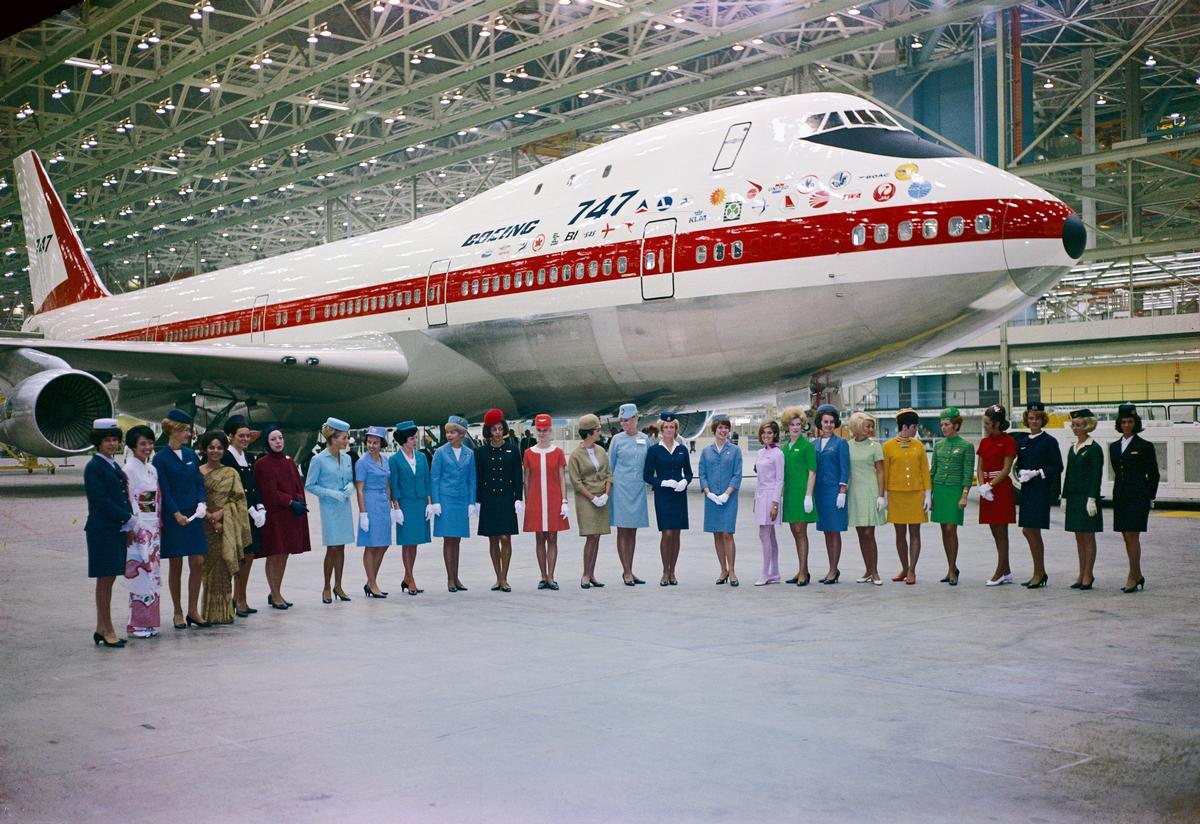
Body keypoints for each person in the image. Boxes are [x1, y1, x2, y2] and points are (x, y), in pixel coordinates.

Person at [153, 408, 209, 628]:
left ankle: (193, 610)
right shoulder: (160, 459)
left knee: (198, 562)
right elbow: (164, 490)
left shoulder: (190, 454)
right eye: (185, 430)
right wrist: (176, 513)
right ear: (174, 430)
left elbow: (198, 481)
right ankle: (177, 611)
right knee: (175, 564)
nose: (188, 434)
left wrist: (202, 502)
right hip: (174, 516)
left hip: (194, 515)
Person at [85, 418, 135, 647]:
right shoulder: (94, 467)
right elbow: (101, 501)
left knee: (109, 578)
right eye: (107, 440)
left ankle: (100, 628)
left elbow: (122, 495)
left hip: (115, 528)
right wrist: (127, 517)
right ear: (98, 442)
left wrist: (127, 522)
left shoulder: (111, 464)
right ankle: (108, 630)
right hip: (102, 529)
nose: (112, 444)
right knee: (105, 580)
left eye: (115, 439)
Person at [252, 424, 312, 608]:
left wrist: (299, 500)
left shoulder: (289, 462)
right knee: (274, 554)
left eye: (280, 438)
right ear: (267, 442)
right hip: (275, 516)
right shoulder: (262, 464)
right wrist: (289, 501)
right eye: (273, 439)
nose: (278, 442)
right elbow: (269, 491)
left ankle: (276, 592)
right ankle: (275, 593)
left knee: (284, 554)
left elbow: (297, 485)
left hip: (290, 515)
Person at [197, 430, 251, 625]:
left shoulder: (230, 473)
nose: (215, 451)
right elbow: (193, 498)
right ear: (205, 449)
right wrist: (210, 517)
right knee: (206, 568)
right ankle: (207, 612)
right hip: (202, 527)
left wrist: (222, 513)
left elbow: (239, 500)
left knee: (223, 566)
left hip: (225, 528)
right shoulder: (197, 472)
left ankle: (223, 612)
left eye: (219, 448)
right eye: (211, 447)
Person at [305, 417, 356, 604]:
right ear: (333, 439)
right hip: (329, 507)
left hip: (344, 506)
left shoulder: (347, 458)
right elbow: (310, 485)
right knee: (332, 547)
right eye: (344, 438)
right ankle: (326, 586)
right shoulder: (319, 459)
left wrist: (350, 487)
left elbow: (349, 479)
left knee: (341, 546)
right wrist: (330, 493)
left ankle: (338, 585)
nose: (346, 441)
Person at [1109, 403, 1158, 593]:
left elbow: (1153, 474)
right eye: (1123, 422)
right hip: (1121, 496)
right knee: (1126, 536)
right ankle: (1138, 575)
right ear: (1119, 424)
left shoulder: (1144, 446)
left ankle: (1133, 575)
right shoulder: (1114, 447)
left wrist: (1150, 496)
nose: (1127, 425)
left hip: (1137, 497)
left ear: (1135, 423)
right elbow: (1118, 472)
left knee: (1132, 535)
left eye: (1130, 422)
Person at [1014, 402, 1063, 589]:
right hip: (1027, 489)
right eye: (1031, 418)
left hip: (1041, 489)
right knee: (1028, 530)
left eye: (1037, 418)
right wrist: (1021, 472)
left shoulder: (1049, 441)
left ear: (1043, 420)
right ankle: (1039, 572)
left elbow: (1057, 466)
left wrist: (1037, 473)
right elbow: (1020, 464)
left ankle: (1039, 572)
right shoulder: (1023, 442)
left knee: (1032, 530)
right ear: (1027, 420)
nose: (1034, 421)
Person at [476, 409, 524, 591]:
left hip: (506, 498)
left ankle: (505, 577)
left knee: (506, 537)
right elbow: (479, 477)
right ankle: (498, 577)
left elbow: (517, 476)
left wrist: (518, 498)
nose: (497, 433)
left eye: (500, 429)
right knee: (493, 539)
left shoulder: (513, 450)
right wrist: (477, 501)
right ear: (488, 431)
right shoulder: (481, 452)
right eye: (493, 429)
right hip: (489, 499)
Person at [642, 412, 692, 586]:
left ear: (675, 429)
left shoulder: (682, 449)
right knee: (667, 533)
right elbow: (647, 475)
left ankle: (673, 571)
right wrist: (662, 482)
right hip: (663, 495)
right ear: (661, 429)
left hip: (679, 494)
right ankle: (665, 571)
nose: (669, 430)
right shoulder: (654, 450)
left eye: (672, 427)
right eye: (666, 427)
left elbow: (689, 473)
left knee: (676, 534)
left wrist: (685, 481)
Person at [222, 415, 265, 617]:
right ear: (230, 436)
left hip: (251, 515)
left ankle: (241, 597)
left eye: (248, 435)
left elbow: (253, 486)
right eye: (241, 435)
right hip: (235, 513)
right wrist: (250, 509)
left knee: (249, 556)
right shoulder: (226, 457)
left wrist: (260, 507)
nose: (245, 439)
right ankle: (237, 598)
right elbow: (231, 489)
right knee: (238, 557)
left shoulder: (248, 457)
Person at [882, 408, 931, 586]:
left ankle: (912, 570)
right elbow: (885, 472)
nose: (916, 430)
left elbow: (924, 471)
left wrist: (927, 495)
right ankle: (904, 567)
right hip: (896, 495)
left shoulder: (919, 446)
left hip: (916, 494)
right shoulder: (887, 447)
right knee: (900, 533)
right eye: (914, 427)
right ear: (905, 427)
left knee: (915, 532)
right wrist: (884, 495)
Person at [122, 424, 162, 638]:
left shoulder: (151, 469)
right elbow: (129, 500)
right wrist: (135, 527)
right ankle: (137, 623)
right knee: (139, 573)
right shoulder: (128, 470)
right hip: (139, 528)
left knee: (152, 575)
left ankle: (149, 622)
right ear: (133, 446)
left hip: (153, 527)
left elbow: (157, 500)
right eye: (142, 444)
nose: (147, 447)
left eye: (150, 443)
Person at [523, 413, 570, 590]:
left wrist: (564, 501)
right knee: (539, 537)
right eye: (539, 430)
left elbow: (561, 477)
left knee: (552, 537)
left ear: (550, 431)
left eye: (545, 430)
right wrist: (527, 502)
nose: (542, 433)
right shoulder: (529, 453)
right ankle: (543, 575)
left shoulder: (557, 452)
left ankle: (551, 576)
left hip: (554, 499)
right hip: (536, 500)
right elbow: (526, 479)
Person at [431, 414, 476, 593]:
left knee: (457, 540)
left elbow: (472, 479)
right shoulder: (440, 452)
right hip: (446, 500)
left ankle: (456, 577)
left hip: (461, 500)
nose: (449, 435)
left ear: (461, 434)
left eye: (453, 432)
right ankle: (450, 578)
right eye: (448, 432)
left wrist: (471, 502)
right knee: (448, 539)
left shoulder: (469, 453)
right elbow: (435, 478)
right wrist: (435, 502)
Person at [929, 407, 974, 586]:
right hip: (940, 489)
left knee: (951, 529)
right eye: (942, 425)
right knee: (944, 529)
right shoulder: (938, 446)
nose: (943, 428)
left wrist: (964, 495)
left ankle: (952, 569)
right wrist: (929, 495)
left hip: (955, 491)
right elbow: (933, 471)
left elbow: (968, 473)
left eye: (947, 424)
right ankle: (951, 567)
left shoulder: (966, 446)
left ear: (956, 425)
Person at [568, 414, 612, 589]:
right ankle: (585, 575)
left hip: (601, 496)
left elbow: (608, 474)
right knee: (591, 536)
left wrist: (606, 495)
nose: (600, 433)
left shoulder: (601, 450)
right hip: (586, 498)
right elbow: (576, 482)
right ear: (589, 433)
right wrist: (592, 498)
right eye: (598, 430)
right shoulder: (575, 455)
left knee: (597, 536)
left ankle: (592, 574)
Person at [608, 403, 650, 585]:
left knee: (632, 531)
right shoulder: (616, 440)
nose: (624, 423)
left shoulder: (645, 439)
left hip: (638, 489)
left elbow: (649, 464)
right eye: (622, 421)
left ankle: (630, 570)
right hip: (621, 489)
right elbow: (610, 466)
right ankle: (626, 571)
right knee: (623, 530)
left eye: (627, 420)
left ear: (636, 419)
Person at [976, 404, 1017, 586]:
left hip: (1000, 489)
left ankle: (999, 572)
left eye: (987, 423)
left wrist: (991, 485)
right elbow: (980, 466)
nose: (985, 426)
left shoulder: (1008, 441)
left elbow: (1006, 469)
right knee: (994, 531)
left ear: (997, 424)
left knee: (1001, 532)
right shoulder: (984, 442)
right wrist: (982, 486)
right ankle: (1006, 571)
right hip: (987, 489)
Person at [389, 421, 431, 595]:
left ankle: (408, 577)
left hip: (420, 503)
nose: (415, 441)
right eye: (412, 438)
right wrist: (396, 507)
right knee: (407, 542)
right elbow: (394, 485)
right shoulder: (394, 460)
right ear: (404, 440)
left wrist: (430, 503)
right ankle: (410, 578)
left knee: (414, 543)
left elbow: (427, 480)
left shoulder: (421, 457)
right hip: (405, 504)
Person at [699, 415, 742, 586]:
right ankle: (723, 570)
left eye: (726, 428)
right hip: (712, 498)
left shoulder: (735, 450)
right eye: (720, 428)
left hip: (728, 498)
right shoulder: (706, 451)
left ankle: (732, 571)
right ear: (714, 430)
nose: (723, 431)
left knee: (727, 533)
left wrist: (727, 493)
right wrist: (708, 492)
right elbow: (702, 474)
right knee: (717, 533)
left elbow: (737, 474)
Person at [1063, 409, 1103, 590]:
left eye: (1078, 425)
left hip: (1087, 498)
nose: (1075, 428)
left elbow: (1096, 476)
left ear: (1087, 426)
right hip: (1074, 497)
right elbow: (1068, 474)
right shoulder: (1073, 448)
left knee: (1088, 536)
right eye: (1073, 425)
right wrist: (1064, 497)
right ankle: (1081, 573)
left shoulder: (1094, 448)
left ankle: (1088, 574)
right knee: (1078, 536)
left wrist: (1092, 498)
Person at [845, 412, 885, 586]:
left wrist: (881, 495)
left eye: (872, 426)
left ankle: (875, 571)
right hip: (854, 491)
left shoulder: (875, 447)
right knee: (861, 533)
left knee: (869, 533)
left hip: (870, 491)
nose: (870, 429)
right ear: (857, 427)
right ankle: (868, 570)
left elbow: (881, 472)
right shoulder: (847, 446)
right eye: (867, 426)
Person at [356, 425, 395, 598]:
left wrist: (391, 506)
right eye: (369, 442)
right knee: (371, 545)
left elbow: (387, 485)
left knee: (383, 543)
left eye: (375, 442)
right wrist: (363, 513)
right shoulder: (362, 463)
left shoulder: (385, 460)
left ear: (381, 444)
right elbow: (359, 490)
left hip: (383, 504)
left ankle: (371, 581)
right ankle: (372, 584)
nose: (372, 445)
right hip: (370, 503)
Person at [812, 405, 849, 584]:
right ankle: (831, 568)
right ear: (820, 423)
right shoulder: (814, 444)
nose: (828, 425)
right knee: (827, 531)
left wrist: (842, 491)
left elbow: (845, 468)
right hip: (820, 492)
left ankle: (834, 570)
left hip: (834, 492)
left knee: (834, 531)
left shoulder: (841, 443)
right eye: (825, 421)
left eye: (831, 422)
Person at [780, 407, 817, 586]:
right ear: (787, 427)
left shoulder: (807, 446)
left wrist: (808, 496)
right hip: (789, 494)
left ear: (802, 426)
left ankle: (803, 572)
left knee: (801, 533)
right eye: (792, 425)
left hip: (802, 493)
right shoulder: (785, 448)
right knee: (795, 532)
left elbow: (812, 472)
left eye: (798, 424)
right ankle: (803, 569)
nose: (795, 428)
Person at [752, 420, 785, 587]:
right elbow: (759, 479)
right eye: (764, 433)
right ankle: (775, 572)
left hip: (771, 496)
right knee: (770, 536)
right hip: (760, 496)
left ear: (775, 434)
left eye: (770, 433)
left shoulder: (778, 454)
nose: (766, 436)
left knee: (764, 534)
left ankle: (765, 573)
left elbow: (779, 480)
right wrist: (755, 499)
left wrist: (775, 503)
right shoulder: (760, 453)